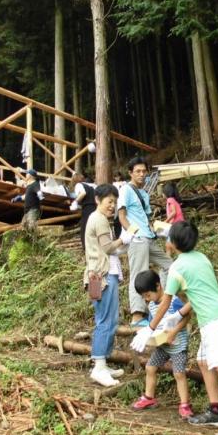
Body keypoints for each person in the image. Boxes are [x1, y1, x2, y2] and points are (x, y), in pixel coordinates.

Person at [130, 221, 218, 435]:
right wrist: (179, 314)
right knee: (204, 361)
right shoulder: (200, 257)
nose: (166, 241)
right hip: (214, 314)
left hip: (214, 318)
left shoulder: (177, 268)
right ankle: (216, 411)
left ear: (174, 243)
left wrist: (148, 329)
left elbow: (164, 302)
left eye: (168, 238)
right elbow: (200, 291)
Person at [85, 183, 132, 387]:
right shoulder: (100, 220)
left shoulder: (98, 219)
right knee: (106, 320)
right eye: (109, 201)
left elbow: (107, 251)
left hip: (95, 276)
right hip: (102, 277)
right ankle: (99, 366)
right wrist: (124, 238)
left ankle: (102, 363)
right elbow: (107, 247)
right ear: (98, 200)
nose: (112, 205)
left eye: (115, 201)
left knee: (107, 319)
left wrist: (122, 245)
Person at [131, 270, 194, 420]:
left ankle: (185, 404)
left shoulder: (173, 301)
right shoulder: (152, 305)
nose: (146, 299)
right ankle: (149, 397)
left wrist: (174, 331)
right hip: (163, 344)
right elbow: (155, 323)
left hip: (177, 344)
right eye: (143, 297)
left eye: (148, 295)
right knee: (150, 367)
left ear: (158, 286)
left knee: (178, 373)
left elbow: (187, 317)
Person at [118, 157, 172, 327]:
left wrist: (163, 230)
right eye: (137, 171)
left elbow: (147, 220)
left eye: (144, 171)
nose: (141, 174)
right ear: (130, 173)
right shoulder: (125, 190)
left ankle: (160, 302)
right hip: (138, 240)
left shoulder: (144, 194)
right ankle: (137, 316)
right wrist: (134, 234)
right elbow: (122, 216)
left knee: (169, 265)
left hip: (149, 238)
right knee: (138, 274)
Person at [11, 169, 43, 233]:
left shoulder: (35, 184)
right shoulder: (29, 185)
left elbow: (39, 192)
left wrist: (40, 195)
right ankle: (27, 241)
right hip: (27, 210)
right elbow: (26, 196)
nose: (26, 174)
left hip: (33, 210)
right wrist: (18, 198)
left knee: (31, 227)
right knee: (23, 227)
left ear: (31, 176)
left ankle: (34, 241)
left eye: (27, 173)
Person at [70, 174, 97, 250]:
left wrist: (75, 202)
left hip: (87, 209)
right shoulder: (91, 186)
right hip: (95, 207)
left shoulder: (79, 185)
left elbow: (83, 193)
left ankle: (86, 248)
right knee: (94, 228)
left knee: (85, 228)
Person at [163, 182, 185, 255]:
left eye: (163, 192)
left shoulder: (170, 200)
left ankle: (168, 263)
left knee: (170, 245)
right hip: (179, 225)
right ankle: (167, 264)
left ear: (166, 192)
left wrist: (165, 221)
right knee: (169, 246)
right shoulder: (174, 200)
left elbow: (173, 212)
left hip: (176, 226)